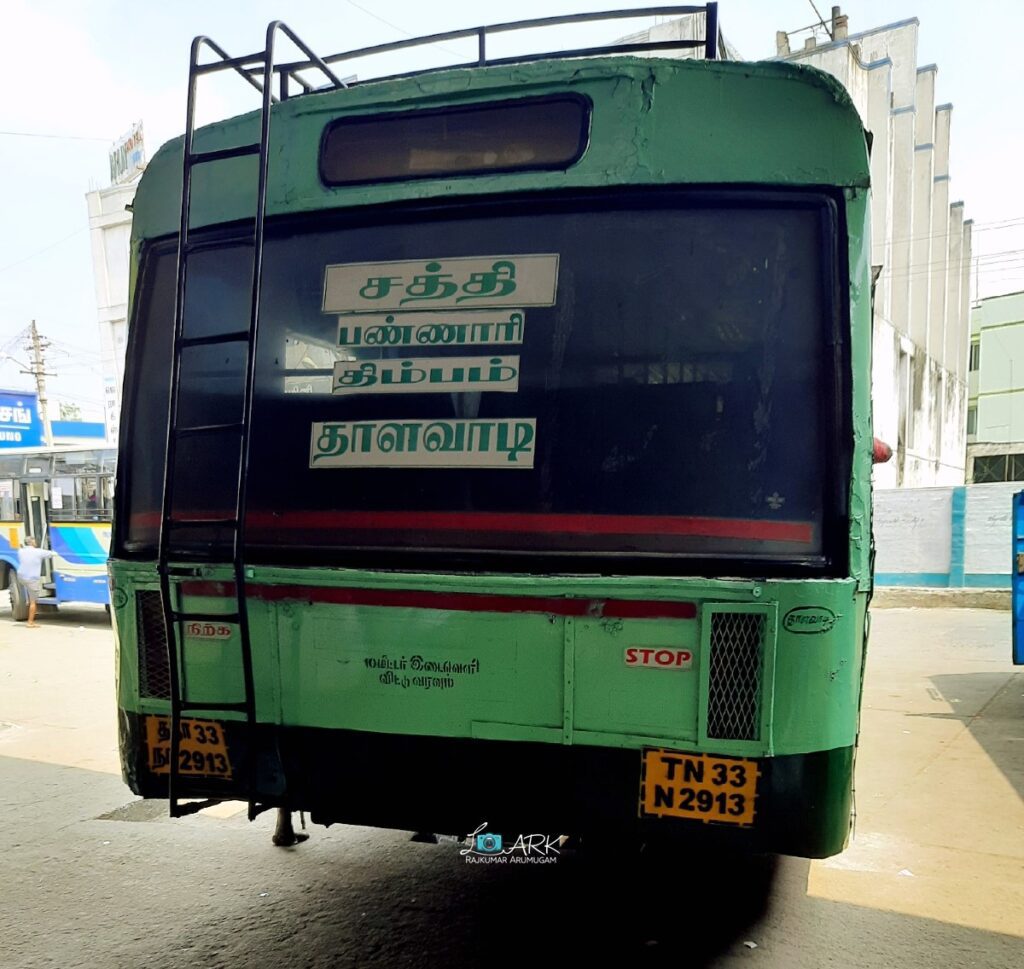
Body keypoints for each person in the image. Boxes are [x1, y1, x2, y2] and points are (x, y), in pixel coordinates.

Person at [16, 536, 54, 628]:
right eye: (34, 540)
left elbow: (20, 548)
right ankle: (30, 622)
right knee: (33, 602)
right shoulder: (38, 552)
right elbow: (52, 554)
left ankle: (27, 601)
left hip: (21, 577)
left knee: (29, 593)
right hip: (32, 579)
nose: (36, 542)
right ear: (32, 542)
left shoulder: (21, 551)